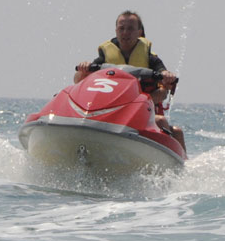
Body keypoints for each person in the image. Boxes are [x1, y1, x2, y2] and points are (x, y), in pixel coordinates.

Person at [75, 11, 186, 152]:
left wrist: (166, 75)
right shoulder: (104, 56)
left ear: (139, 32)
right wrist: (83, 69)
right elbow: (78, 80)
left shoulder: (151, 58)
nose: (125, 32)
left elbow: (164, 85)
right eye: (121, 28)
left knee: (162, 122)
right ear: (116, 31)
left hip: (142, 112)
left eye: (130, 29)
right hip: (111, 110)